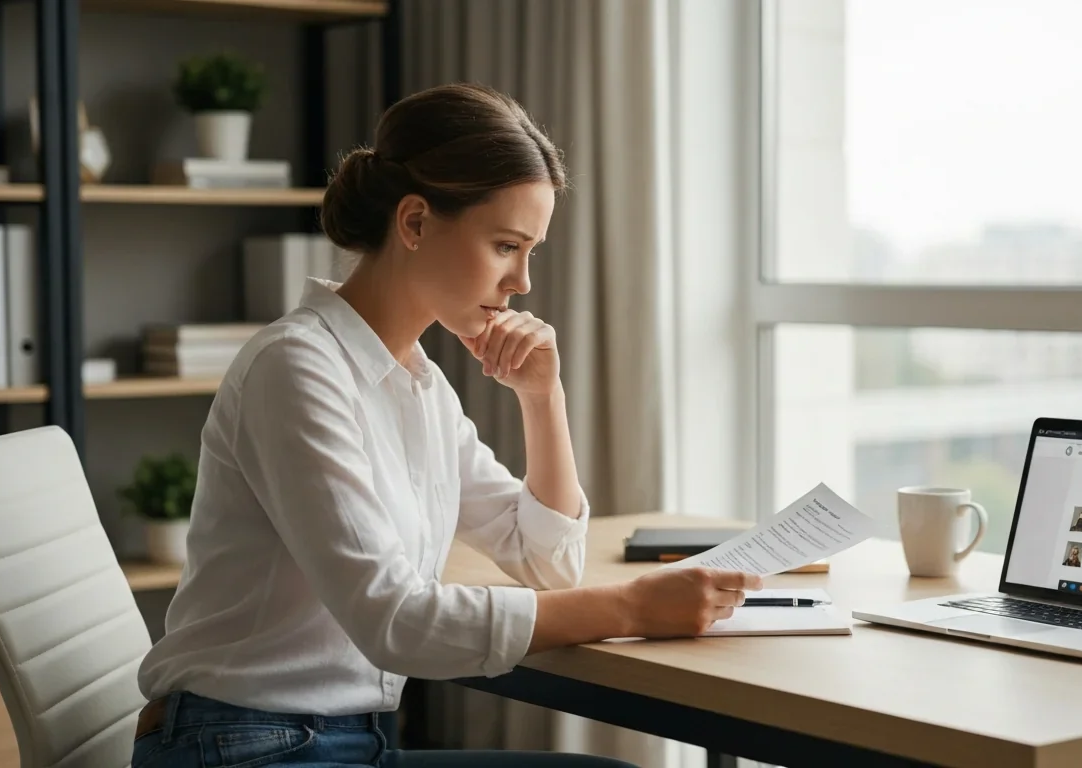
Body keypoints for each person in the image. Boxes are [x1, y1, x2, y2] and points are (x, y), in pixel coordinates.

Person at [130, 83, 761, 768]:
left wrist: (542, 397)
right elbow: (396, 622)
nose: (521, 280)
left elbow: (548, 562)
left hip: (342, 745)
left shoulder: (419, 385)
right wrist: (633, 608)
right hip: (239, 747)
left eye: (531, 251)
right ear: (415, 224)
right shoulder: (297, 370)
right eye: (505, 246)